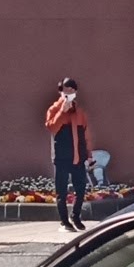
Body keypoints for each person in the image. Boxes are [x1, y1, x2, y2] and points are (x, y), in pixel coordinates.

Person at [44, 77, 94, 229]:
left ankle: (76, 216)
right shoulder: (54, 109)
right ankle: (64, 220)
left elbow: (86, 135)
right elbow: (51, 127)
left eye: (73, 89)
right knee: (62, 190)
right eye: (67, 89)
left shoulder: (80, 112)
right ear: (61, 91)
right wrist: (62, 111)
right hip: (62, 157)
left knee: (81, 189)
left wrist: (89, 155)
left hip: (78, 157)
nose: (70, 91)